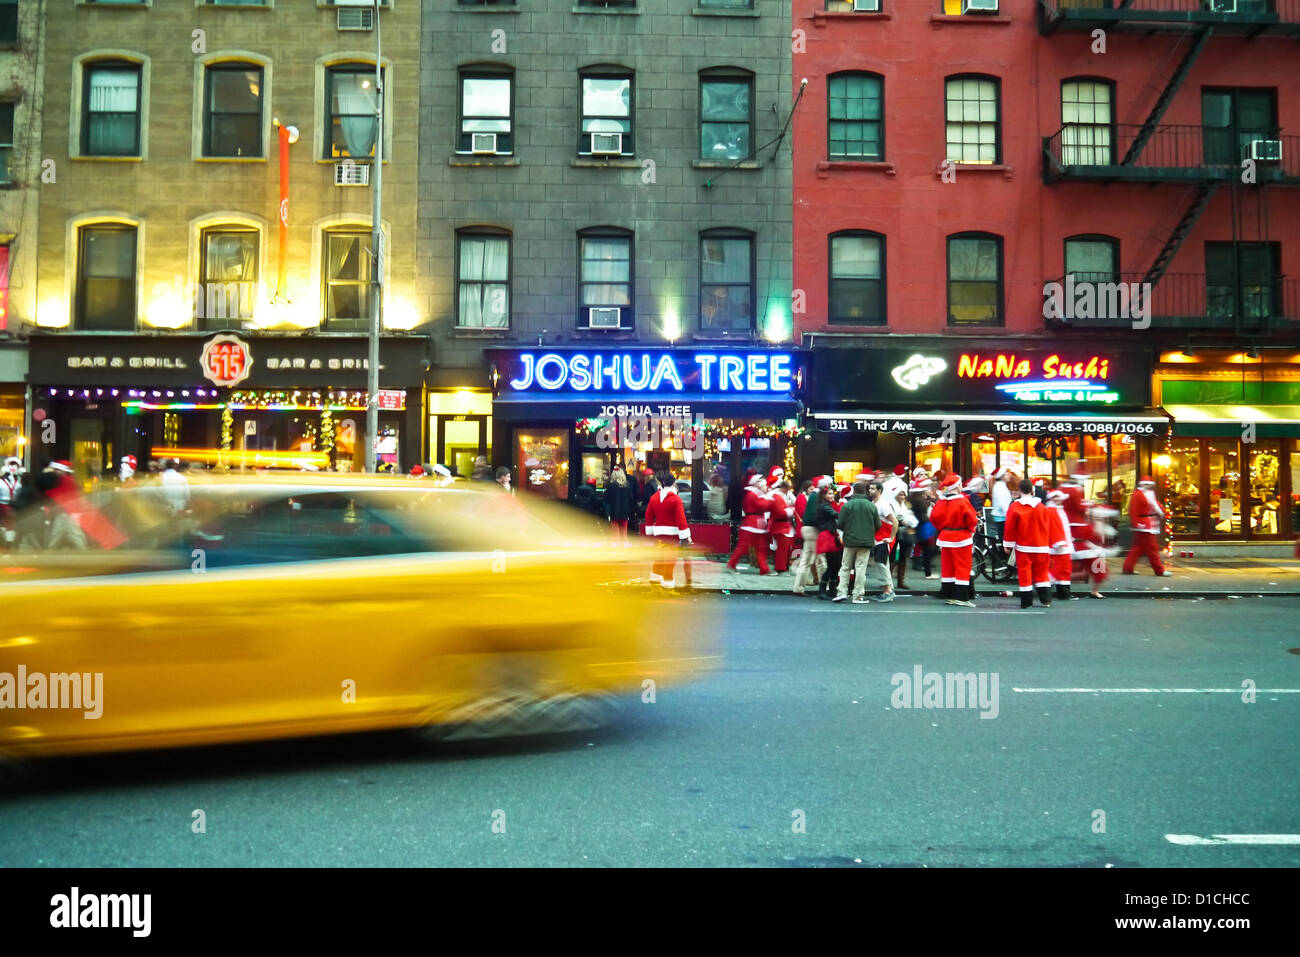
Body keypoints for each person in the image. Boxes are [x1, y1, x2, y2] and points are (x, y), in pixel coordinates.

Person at [1004, 478, 1054, 608]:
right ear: (1033, 490)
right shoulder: (1041, 507)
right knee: (1042, 573)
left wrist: (1008, 544)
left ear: (1020, 490)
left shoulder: (1015, 507)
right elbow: (1049, 526)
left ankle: (1027, 602)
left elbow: (1010, 526)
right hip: (1041, 546)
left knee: (1025, 574)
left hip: (1024, 547)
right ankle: (1046, 600)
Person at [930, 473, 979, 607]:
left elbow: (933, 518)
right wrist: (971, 530)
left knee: (948, 568)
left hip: (945, 537)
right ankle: (962, 598)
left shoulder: (941, 501)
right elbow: (972, 520)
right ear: (958, 486)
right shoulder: (962, 501)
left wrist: (943, 528)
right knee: (963, 567)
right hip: (961, 537)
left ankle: (949, 594)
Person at [642, 469, 692, 588]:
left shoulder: (654, 498)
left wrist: (650, 531)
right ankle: (668, 587)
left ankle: (654, 581)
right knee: (669, 562)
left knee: (659, 559)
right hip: (672, 536)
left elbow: (648, 515)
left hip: (658, 534)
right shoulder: (676, 499)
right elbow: (681, 519)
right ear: (674, 484)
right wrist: (686, 537)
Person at [833, 479, 880, 604]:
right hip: (865, 542)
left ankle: (842, 592)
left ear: (854, 491)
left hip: (849, 541)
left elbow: (840, 524)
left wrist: (848, 531)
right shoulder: (871, 506)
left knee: (845, 567)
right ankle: (857, 595)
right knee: (860, 569)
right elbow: (878, 525)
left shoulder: (847, 505)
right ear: (865, 491)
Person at [1122, 476, 1172, 576]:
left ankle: (1128, 567)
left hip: (1149, 524)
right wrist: (1137, 523)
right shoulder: (1137, 494)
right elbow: (1133, 510)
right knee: (1152, 548)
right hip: (1143, 525)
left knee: (1138, 548)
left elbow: (1155, 505)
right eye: (1146, 484)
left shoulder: (1150, 494)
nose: (1148, 486)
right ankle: (1159, 570)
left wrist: (1163, 510)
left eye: (1149, 484)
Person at [726, 473, 772, 575]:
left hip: (756, 524)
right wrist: (769, 500)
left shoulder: (757, 494)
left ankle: (764, 569)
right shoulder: (752, 494)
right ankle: (731, 565)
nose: (766, 487)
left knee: (761, 547)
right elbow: (761, 505)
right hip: (751, 524)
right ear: (757, 484)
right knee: (743, 546)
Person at [808, 482, 843, 600]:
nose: (832, 495)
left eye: (832, 493)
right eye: (829, 494)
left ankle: (830, 589)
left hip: (829, 535)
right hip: (828, 536)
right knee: (833, 564)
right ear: (823, 495)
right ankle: (823, 590)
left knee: (835, 564)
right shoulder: (825, 506)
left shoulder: (824, 505)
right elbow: (836, 515)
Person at [866, 482, 897, 602]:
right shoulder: (874, 503)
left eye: (872, 488)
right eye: (869, 488)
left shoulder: (883, 505)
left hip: (883, 539)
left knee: (881, 564)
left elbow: (895, 522)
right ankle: (887, 589)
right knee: (882, 564)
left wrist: (891, 538)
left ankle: (888, 590)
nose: (870, 490)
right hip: (878, 539)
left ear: (879, 490)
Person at [792, 477, 823, 595]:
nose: (812, 490)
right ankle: (822, 585)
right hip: (811, 530)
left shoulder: (811, 497)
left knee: (810, 558)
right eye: (810, 488)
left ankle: (810, 582)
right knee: (816, 559)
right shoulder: (808, 498)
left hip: (807, 529)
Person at [1045, 489, 1076, 601]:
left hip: (1061, 545)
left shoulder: (1056, 510)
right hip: (1059, 547)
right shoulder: (1052, 511)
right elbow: (1054, 529)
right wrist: (1059, 543)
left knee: (1059, 571)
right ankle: (1063, 594)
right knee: (1063, 571)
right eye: (1057, 497)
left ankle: (1062, 593)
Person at [910, 477, 939, 581]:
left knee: (927, 549)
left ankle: (925, 568)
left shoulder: (914, 499)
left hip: (922, 526)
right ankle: (928, 572)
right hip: (924, 526)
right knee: (929, 549)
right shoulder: (919, 500)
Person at [892, 486, 919, 591]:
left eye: (903, 494)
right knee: (892, 556)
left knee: (903, 557)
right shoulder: (892, 505)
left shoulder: (907, 505)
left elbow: (912, 517)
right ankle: (888, 582)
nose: (902, 496)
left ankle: (900, 581)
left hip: (905, 533)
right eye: (900, 494)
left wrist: (909, 521)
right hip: (894, 532)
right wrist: (900, 519)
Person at [768, 478, 796, 573]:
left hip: (783, 526)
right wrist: (792, 510)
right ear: (784, 488)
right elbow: (781, 513)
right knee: (782, 548)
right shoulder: (777, 497)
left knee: (785, 548)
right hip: (780, 526)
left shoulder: (780, 496)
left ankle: (783, 566)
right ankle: (780, 567)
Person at [604, 467, 636, 541]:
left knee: (615, 536)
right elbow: (631, 500)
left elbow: (606, 499)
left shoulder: (610, 486)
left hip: (614, 513)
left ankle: (617, 550)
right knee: (624, 535)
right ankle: (624, 550)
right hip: (625, 513)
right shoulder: (627, 486)